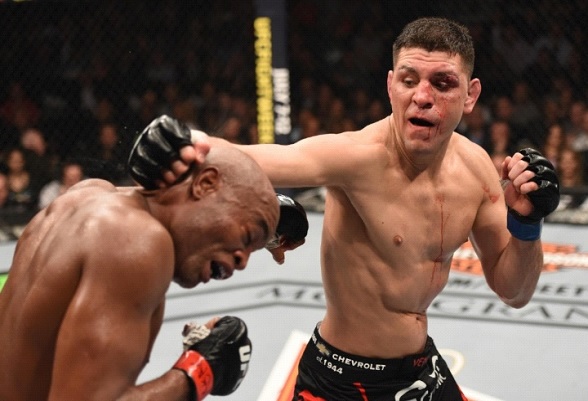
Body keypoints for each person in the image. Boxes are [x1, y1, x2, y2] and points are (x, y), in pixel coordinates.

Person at [128, 17, 560, 401]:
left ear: (470, 95)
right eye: (409, 80)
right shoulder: (357, 158)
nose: (422, 97)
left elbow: (515, 291)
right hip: (339, 381)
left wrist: (526, 222)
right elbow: (255, 158)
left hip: (418, 372)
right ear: (391, 85)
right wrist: (182, 143)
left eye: (443, 83)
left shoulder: (477, 170)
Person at [0, 145, 282, 401]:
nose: (242, 261)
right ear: (206, 184)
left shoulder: (85, 197)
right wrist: (200, 370)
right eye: (247, 236)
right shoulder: (137, 240)